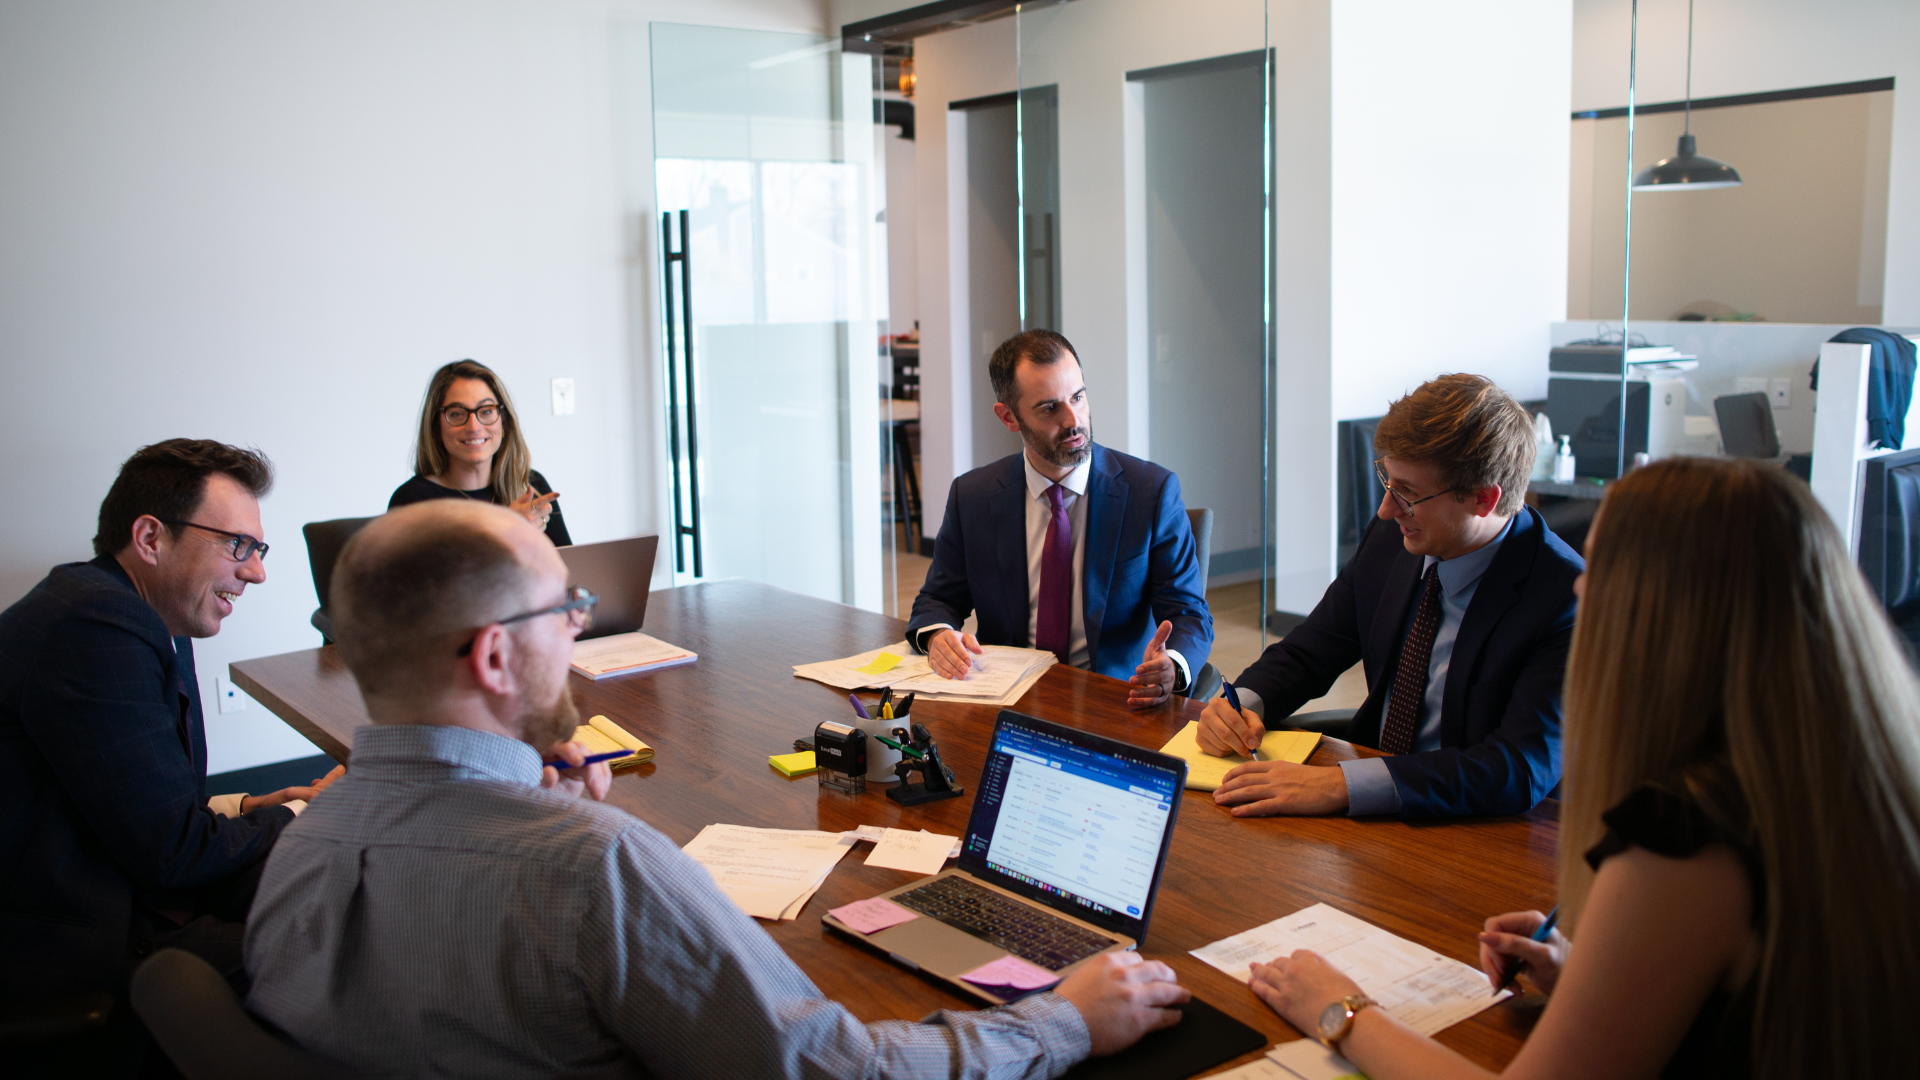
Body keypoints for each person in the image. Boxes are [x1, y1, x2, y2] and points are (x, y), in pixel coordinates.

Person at [245, 499, 1190, 1078]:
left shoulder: (304, 841)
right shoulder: (596, 871)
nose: (576, 633)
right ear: (494, 655)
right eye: (564, 608)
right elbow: (837, 1072)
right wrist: (1061, 1022)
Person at [1246, 457, 1920, 1079]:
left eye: (1597, 570)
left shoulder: (1684, 835)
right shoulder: (1838, 783)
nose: (1578, 586)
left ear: (1663, 616)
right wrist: (1593, 974)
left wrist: (1342, 1011)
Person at [0, 440, 341, 1062]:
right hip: (78, 932)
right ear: (151, 537)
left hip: (117, 868)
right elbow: (171, 855)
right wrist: (299, 814)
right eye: (238, 544)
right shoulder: (94, 626)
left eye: (257, 549)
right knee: (340, 941)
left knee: (324, 884)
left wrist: (247, 805)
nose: (257, 571)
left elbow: (138, 792)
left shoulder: (133, 612)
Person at [1196, 374, 1580, 818]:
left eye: (1409, 494)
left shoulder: (1565, 597)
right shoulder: (1392, 537)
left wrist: (1341, 785)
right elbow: (1312, 650)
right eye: (1388, 481)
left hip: (1480, 828)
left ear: (1483, 498)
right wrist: (1240, 704)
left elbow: (1516, 768)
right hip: (1370, 796)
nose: (1385, 509)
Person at [908, 330, 1212, 709]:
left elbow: (1188, 614)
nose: (1074, 421)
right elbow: (937, 599)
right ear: (1009, 417)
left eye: (1078, 398)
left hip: (1117, 700)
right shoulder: (973, 496)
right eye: (1050, 408)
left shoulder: (1150, 492)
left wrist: (1173, 665)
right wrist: (939, 638)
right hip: (1009, 699)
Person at [389, 358, 572, 546]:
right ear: (436, 427)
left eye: (486, 411)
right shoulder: (411, 501)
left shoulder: (531, 485)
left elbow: (571, 570)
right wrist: (503, 531)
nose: (474, 427)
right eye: (457, 413)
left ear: (504, 422)